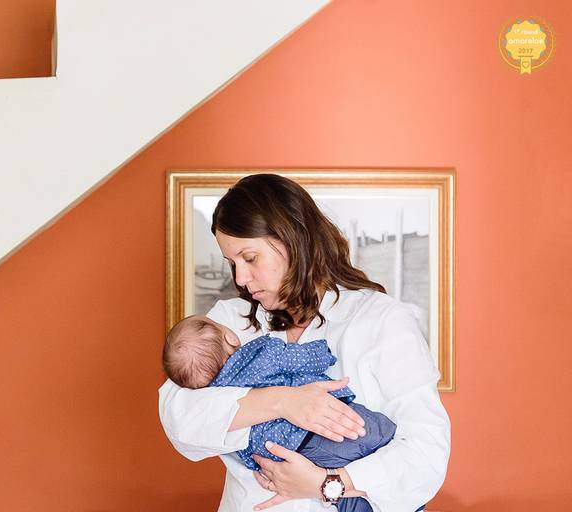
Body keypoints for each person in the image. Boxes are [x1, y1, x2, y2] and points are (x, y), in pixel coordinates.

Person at [158, 174, 450, 511]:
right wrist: (284, 402)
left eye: (250, 258)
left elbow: (427, 454)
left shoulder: (381, 319)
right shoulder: (228, 321)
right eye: (232, 264)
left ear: (293, 239)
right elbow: (179, 419)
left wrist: (328, 483)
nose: (239, 278)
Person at [163, 315, 398, 512]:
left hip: (286, 457)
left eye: (250, 258)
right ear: (230, 336)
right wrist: (323, 353)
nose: (241, 276)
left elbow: (242, 448)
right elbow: (300, 358)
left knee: (346, 499)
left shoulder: (216, 393)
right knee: (381, 433)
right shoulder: (260, 353)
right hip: (320, 434)